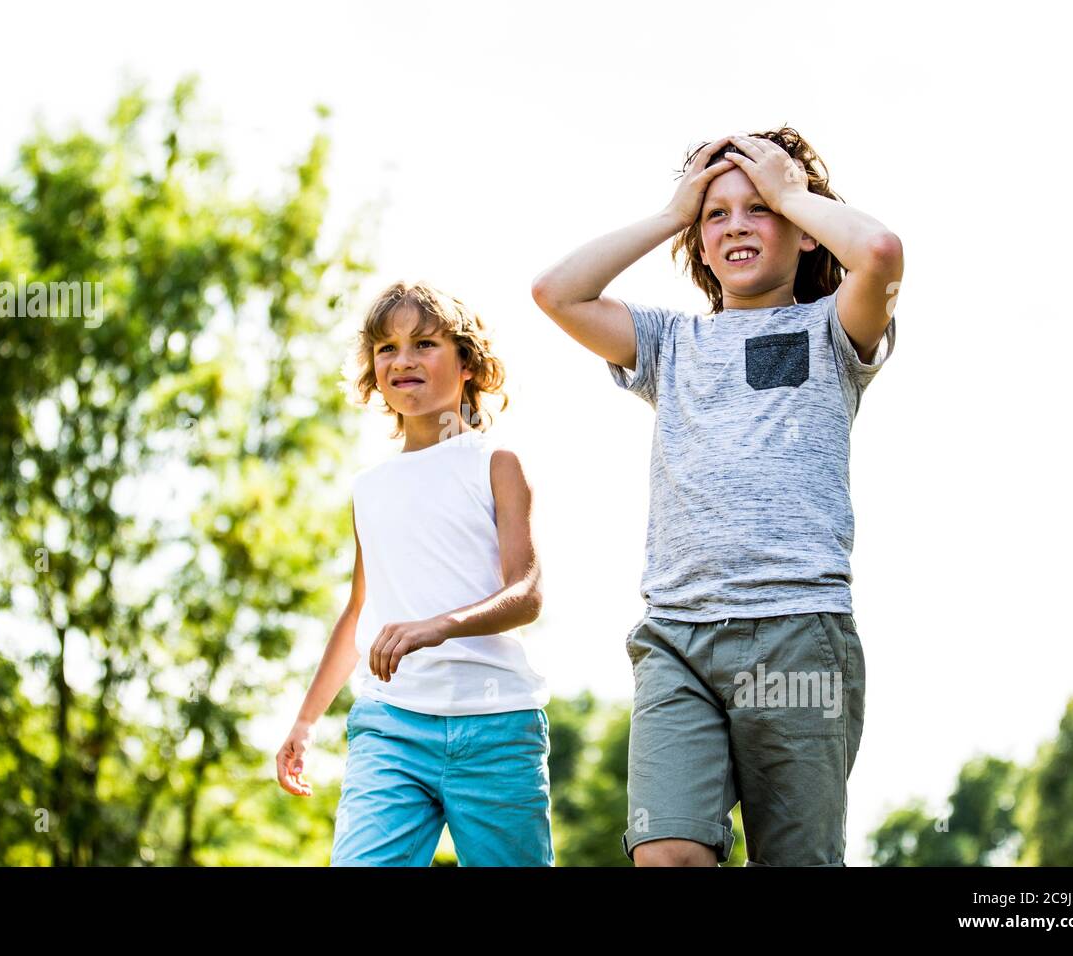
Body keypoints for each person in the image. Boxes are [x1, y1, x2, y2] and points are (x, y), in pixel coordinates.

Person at [531, 128, 903, 866]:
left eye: (759, 207)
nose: (736, 224)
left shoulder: (832, 330)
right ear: (699, 245)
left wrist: (792, 191)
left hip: (797, 636)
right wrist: (674, 210)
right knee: (666, 853)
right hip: (677, 638)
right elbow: (555, 291)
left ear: (802, 231)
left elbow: (883, 254)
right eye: (716, 213)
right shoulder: (669, 344)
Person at [276, 279, 553, 866]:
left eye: (424, 344)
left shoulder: (496, 462)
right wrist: (305, 721)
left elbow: (526, 593)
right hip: (390, 727)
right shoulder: (369, 487)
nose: (403, 360)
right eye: (386, 348)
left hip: (496, 728)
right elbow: (358, 612)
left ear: (468, 363)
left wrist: (439, 626)